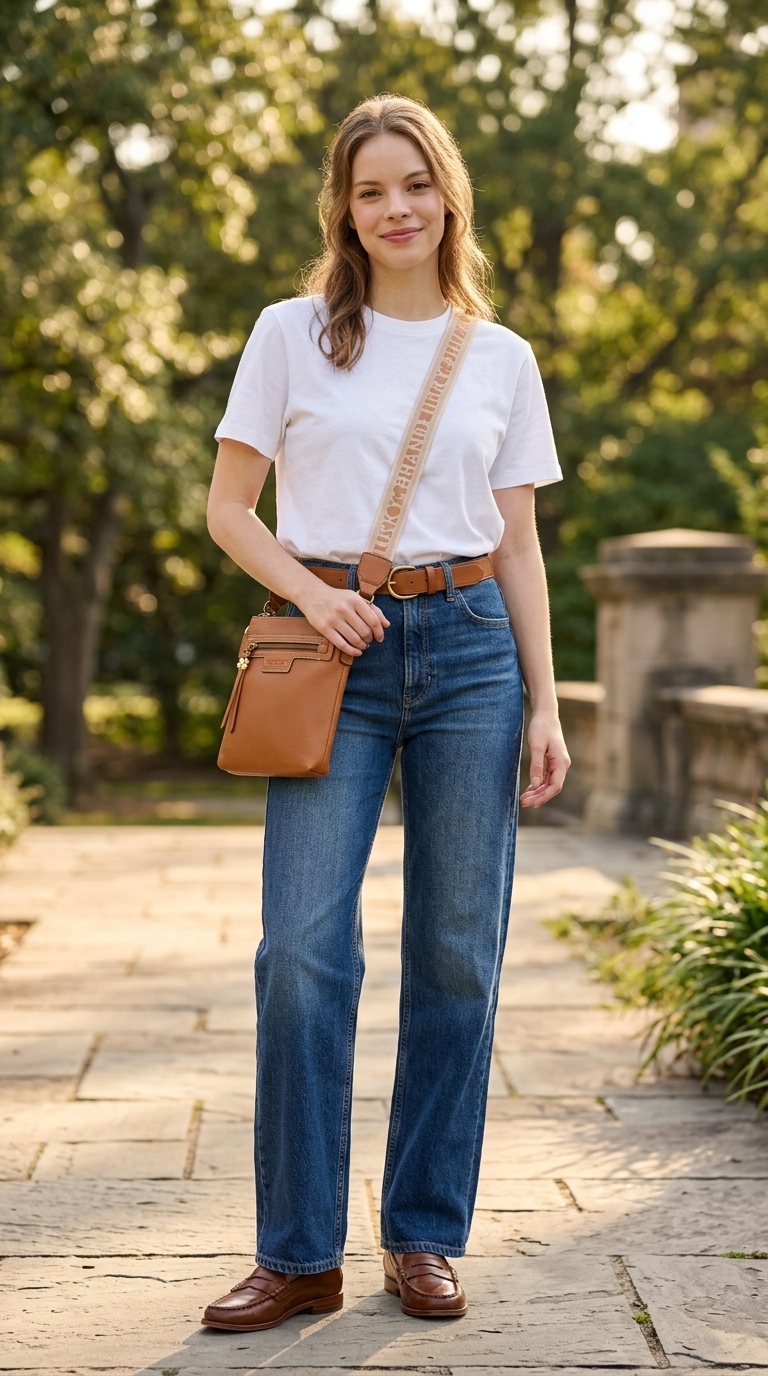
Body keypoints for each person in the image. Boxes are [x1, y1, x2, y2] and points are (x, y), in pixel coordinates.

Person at [203, 94, 569, 1332]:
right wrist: (317, 594)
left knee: (458, 952)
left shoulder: (502, 355)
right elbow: (229, 510)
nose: (396, 207)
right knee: (303, 951)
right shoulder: (290, 335)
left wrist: (546, 702)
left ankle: (424, 1232)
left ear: (447, 194)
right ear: (345, 210)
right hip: (331, 654)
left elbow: (519, 544)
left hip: (472, 653)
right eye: (371, 190)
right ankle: (298, 1250)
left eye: (414, 183)